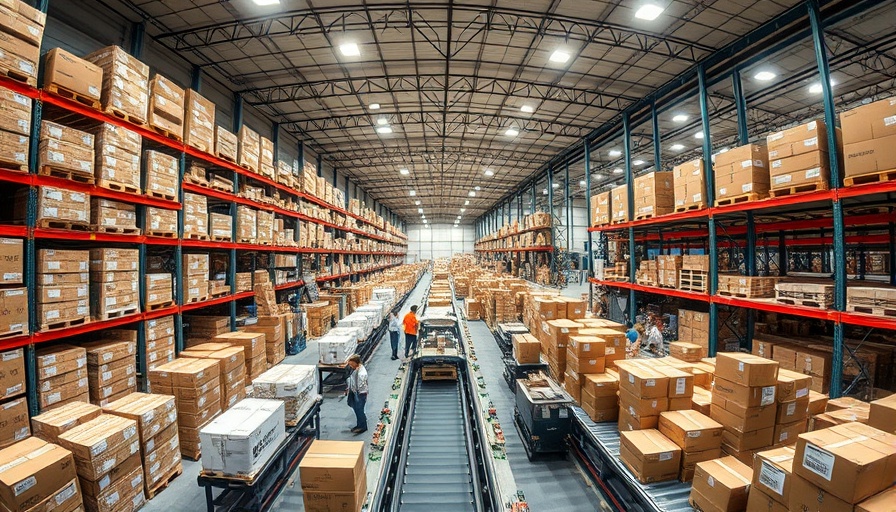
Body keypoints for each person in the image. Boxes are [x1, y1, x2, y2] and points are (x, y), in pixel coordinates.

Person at [345, 354, 368, 433]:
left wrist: (355, 392)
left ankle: (363, 426)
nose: (350, 366)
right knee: (357, 409)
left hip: (360, 394)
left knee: (359, 410)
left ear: (356, 362)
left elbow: (360, 386)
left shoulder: (361, 374)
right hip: (356, 392)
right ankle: (360, 424)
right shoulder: (357, 369)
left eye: (351, 364)